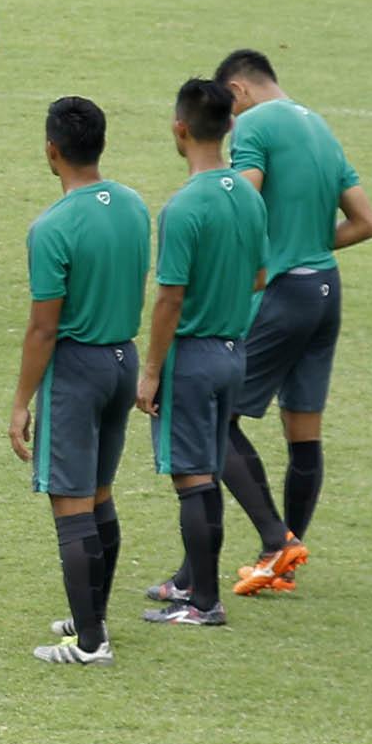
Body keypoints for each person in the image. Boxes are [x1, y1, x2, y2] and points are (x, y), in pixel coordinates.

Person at [216, 49, 372, 597]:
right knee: (303, 430)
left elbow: (243, 201)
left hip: (285, 295)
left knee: (216, 416)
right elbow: (365, 222)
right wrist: (307, 240)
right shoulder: (321, 127)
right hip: (326, 291)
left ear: (237, 92)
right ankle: (285, 557)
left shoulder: (256, 125)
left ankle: (274, 542)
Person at [9, 98, 149, 666]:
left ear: (51, 150)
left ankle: (90, 642)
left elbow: (44, 329)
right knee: (100, 494)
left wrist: (21, 401)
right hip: (124, 361)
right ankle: (92, 612)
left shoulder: (52, 227)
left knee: (70, 504)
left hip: (78, 370)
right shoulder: (136, 205)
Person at [126, 80, 265, 630]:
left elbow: (170, 298)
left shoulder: (183, 208)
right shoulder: (248, 195)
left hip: (193, 356)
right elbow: (260, 273)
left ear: (179, 129)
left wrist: (151, 371)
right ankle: (194, 587)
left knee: (192, 478)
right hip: (234, 353)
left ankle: (203, 601)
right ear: (229, 126)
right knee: (208, 469)